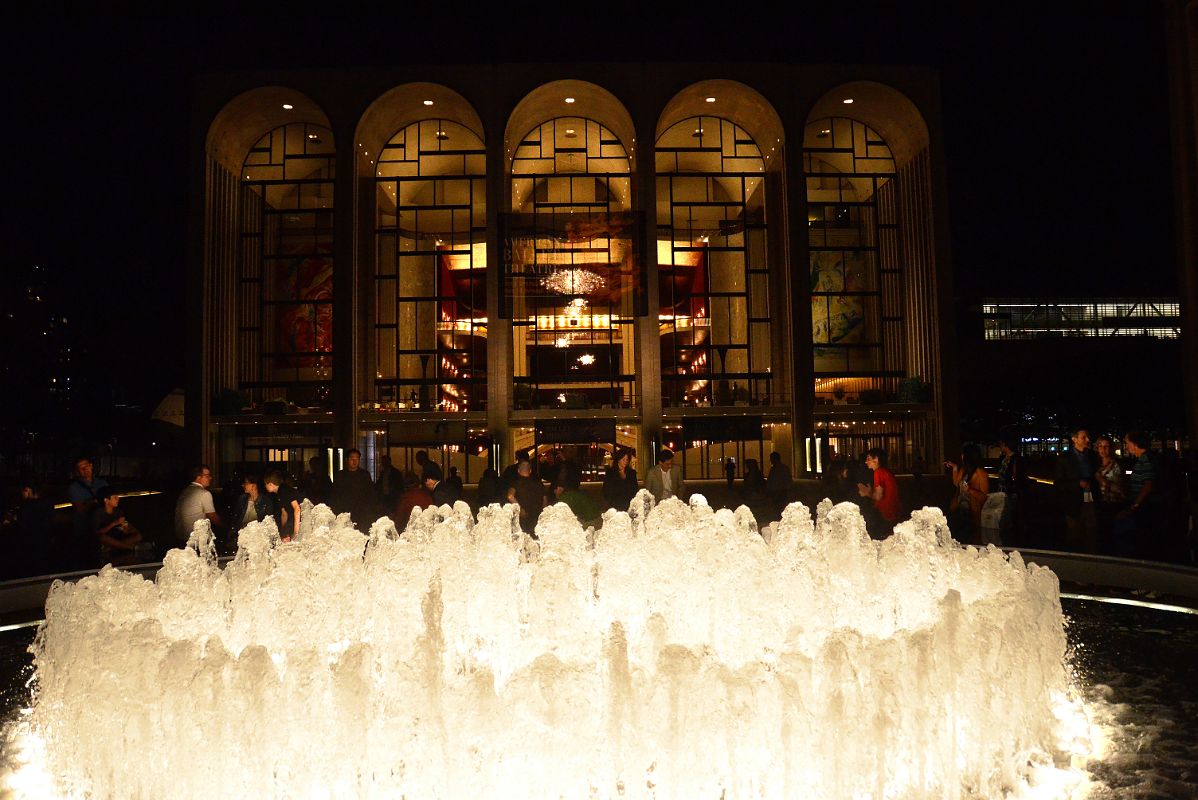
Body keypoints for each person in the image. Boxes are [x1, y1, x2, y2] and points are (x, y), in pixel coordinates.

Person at [1053, 427, 1099, 553]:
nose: (1087, 440)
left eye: (1087, 437)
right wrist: (1077, 484)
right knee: (1074, 535)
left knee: (1092, 532)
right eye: (1083, 437)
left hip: (1092, 500)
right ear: (1074, 439)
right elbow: (1058, 482)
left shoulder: (1092, 456)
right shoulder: (1064, 458)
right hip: (1073, 502)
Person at [1113, 431, 1157, 558]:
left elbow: (1148, 485)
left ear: (1135, 444)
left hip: (1143, 508)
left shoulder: (1145, 459)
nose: (1127, 446)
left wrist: (1134, 507)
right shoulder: (1143, 459)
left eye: (1127, 443)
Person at [68, 456, 109, 568]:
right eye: (81, 468)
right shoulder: (75, 487)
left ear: (91, 466)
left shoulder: (102, 483)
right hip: (85, 529)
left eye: (86, 466)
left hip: (103, 525)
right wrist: (94, 502)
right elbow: (80, 509)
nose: (84, 470)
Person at [946, 443, 989, 543]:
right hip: (957, 510)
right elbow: (957, 483)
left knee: (970, 540)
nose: (961, 456)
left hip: (972, 514)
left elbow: (984, 497)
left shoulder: (981, 474)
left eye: (963, 454)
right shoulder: (964, 470)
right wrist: (955, 468)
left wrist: (969, 490)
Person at [91, 487, 143, 565]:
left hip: (116, 539)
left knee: (138, 535)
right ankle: (129, 547)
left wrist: (125, 528)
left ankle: (113, 548)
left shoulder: (118, 511)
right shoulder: (97, 513)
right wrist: (114, 523)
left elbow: (125, 529)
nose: (117, 499)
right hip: (106, 540)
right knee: (102, 537)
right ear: (106, 500)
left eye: (117, 497)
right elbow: (97, 533)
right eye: (114, 497)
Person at [1093, 435, 1126, 554]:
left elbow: (1119, 488)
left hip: (1113, 504)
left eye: (1106, 446)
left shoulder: (1116, 465)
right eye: (1100, 446)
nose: (1103, 449)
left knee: (1111, 536)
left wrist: (1102, 481)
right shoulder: (1097, 465)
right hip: (1100, 504)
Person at [174, 464, 222, 545]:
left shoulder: (185, 491)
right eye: (207, 476)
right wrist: (226, 527)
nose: (210, 478)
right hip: (196, 540)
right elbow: (213, 517)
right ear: (198, 477)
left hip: (181, 537)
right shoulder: (204, 493)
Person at [859, 448, 901, 537]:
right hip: (893, 512)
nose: (866, 462)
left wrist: (866, 493)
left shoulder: (878, 472)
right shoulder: (886, 472)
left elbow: (878, 496)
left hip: (885, 513)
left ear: (876, 459)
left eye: (868, 459)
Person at [16, 480, 55, 575]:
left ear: (29, 490)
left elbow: (23, 525)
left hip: (32, 542)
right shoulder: (48, 503)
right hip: (45, 540)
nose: (23, 493)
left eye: (25, 490)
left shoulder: (26, 507)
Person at [334, 448, 378, 529]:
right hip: (345, 510)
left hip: (362, 511)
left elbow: (370, 493)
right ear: (347, 460)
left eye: (357, 458)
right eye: (352, 458)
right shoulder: (340, 475)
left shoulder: (364, 475)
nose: (354, 461)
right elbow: (336, 494)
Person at [264, 469, 301, 542]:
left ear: (271, 484)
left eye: (265, 484)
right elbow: (284, 514)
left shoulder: (284, 490)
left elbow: (297, 509)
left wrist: (296, 533)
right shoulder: (280, 493)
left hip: (298, 522)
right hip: (292, 522)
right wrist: (282, 532)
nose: (265, 486)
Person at [511, 459, 546, 535]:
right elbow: (545, 500)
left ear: (518, 471)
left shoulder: (516, 483)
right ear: (530, 471)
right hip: (536, 517)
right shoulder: (538, 483)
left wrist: (520, 510)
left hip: (523, 518)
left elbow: (510, 496)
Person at [766, 452, 793, 517]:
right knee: (778, 506)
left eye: (771, 459)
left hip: (780, 490)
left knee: (780, 506)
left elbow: (787, 480)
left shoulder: (781, 468)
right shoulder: (776, 468)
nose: (770, 460)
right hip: (778, 490)